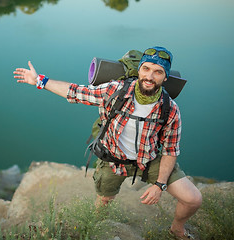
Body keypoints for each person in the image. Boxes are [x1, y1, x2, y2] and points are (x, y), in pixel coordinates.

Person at [13, 46, 202, 240]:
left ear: (165, 77)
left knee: (193, 199)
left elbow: (170, 150)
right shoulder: (116, 90)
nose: (150, 76)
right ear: (139, 70)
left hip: (149, 160)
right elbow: (77, 92)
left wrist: (159, 184)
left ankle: (177, 229)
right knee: (104, 200)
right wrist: (39, 80)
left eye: (158, 72)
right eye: (146, 69)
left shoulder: (170, 109)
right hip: (113, 159)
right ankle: (95, 227)